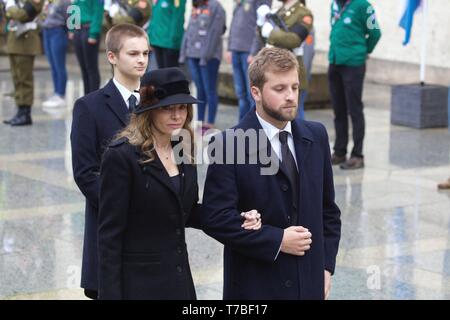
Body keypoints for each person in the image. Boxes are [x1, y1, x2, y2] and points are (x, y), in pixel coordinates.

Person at [97, 67, 262, 299]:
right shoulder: (121, 156)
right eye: (167, 108)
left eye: (182, 108)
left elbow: (187, 209)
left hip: (178, 279)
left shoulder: (183, 147)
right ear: (148, 111)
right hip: (137, 283)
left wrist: (235, 217)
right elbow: (109, 236)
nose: (177, 116)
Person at [202, 47, 341, 299]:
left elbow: (328, 211)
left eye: (295, 87)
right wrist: (276, 240)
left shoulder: (317, 135)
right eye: (279, 89)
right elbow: (216, 218)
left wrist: (325, 267)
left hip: (308, 285)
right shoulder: (227, 144)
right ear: (255, 92)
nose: (290, 96)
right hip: (256, 287)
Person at [71, 23, 150, 299]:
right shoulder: (89, 106)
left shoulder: (159, 104)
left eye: (145, 53)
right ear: (112, 57)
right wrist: (122, 205)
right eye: (133, 54)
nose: (142, 59)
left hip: (152, 231)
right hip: (110, 223)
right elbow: (85, 172)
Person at [328, 0, 381, 169]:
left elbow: (375, 33)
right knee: (338, 109)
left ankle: (358, 155)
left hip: (353, 63)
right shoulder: (334, 4)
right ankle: (339, 151)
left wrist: (365, 51)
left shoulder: (362, 6)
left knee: (354, 109)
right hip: (335, 60)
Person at [252, 0, 313, 122]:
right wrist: (260, 23)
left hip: (291, 71)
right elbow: (264, 40)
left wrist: (271, 32)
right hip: (272, 71)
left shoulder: (303, 13)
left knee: (295, 116)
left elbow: (295, 40)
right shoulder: (279, 11)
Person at [179, 0, 226, 134]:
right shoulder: (196, 6)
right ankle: (200, 122)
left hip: (208, 58)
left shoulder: (216, 7)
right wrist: (184, 52)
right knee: (199, 89)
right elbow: (189, 30)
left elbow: (216, 33)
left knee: (209, 89)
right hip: (193, 55)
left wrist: (205, 56)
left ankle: (209, 123)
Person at [226, 0, 272, 121]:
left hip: (249, 53)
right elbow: (233, 25)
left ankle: (255, 126)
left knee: (252, 94)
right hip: (236, 50)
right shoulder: (239, 3)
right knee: (241, 94)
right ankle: (242, 124)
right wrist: (229, 48)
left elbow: (261, 25)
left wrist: (254, 51)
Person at [2, 0, 44, 126]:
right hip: (14, 41)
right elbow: (10, 16)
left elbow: (22, 15)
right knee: (17, 78)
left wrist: (10, 6)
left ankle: (26, 113)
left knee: (24, 79)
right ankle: (20, 111)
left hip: (26, 43)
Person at [68, 0, 104, 95]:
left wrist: (93, 33)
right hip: (78, 31)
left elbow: (98, 12)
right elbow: (73, 8)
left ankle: (94, 97)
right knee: (83, 68)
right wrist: (71, 28)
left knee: (91, 68)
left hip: (89, 30)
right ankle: (86, 97)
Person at [41, 0, 71, 109]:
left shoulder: (64, 1)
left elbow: (72, 15)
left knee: (59, 65)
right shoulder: (49, 1)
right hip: (46, 30)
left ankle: (61, 94)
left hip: (58, 30)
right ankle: (56, 92)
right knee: (53, 65)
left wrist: (72, 31)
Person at [148, 0, 186, 68]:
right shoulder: (158, 1)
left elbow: (178, 20)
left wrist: (174, 41)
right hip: (157, 41)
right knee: (161, 72)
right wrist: (150, 36)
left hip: (170, 44)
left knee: (170, 74)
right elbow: (154, 18)